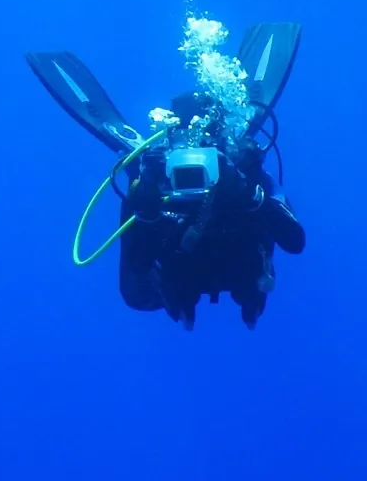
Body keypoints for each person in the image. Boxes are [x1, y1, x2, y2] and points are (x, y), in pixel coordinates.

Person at [26, 22, 306, 329]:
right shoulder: (160, 179)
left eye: (208, 148)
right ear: (171, 140)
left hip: (243, 272)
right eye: (187, 147)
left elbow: (294, 241)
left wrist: (247, 191)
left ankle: (244, 305)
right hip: (180, 278)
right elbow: (138, 266)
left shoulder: (241, 169)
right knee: (139, 295)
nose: (195, 161)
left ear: (222, 142)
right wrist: (143, 203)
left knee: (250, 287)